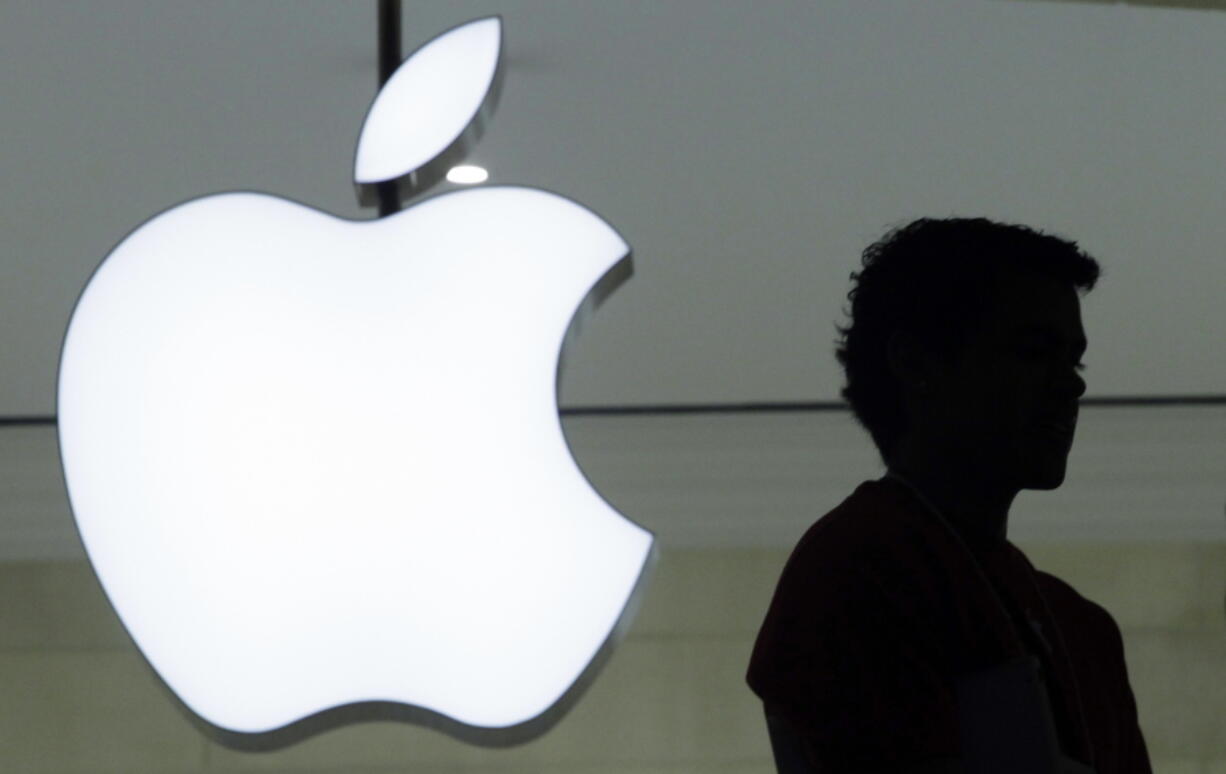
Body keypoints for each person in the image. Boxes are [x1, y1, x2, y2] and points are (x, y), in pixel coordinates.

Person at [747, 218, 1152, 773]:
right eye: (1034, 352)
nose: (1072, 384)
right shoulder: (861, 569)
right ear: (916, 363)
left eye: (1074, 360)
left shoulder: (1083, 630)